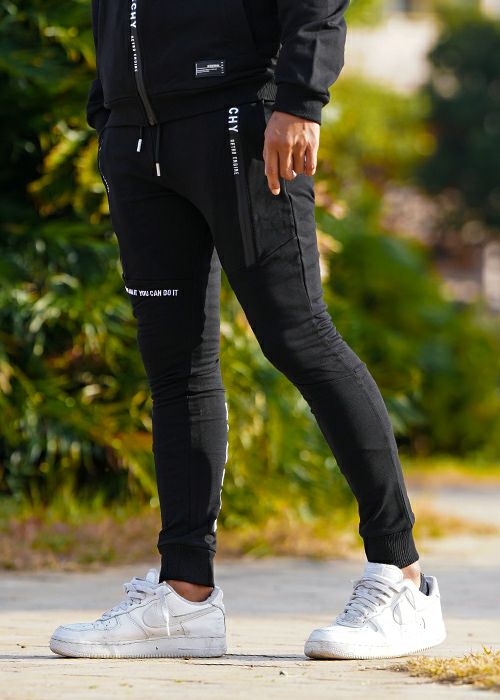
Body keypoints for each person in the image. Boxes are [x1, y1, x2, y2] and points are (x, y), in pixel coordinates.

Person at [49, 0, 446, 660]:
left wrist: (299, 100)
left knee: (299, 337)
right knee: (174, 368)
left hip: (239, 113)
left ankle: (402, 577)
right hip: (137, 132)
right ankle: (185, 597)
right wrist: (109, 108)